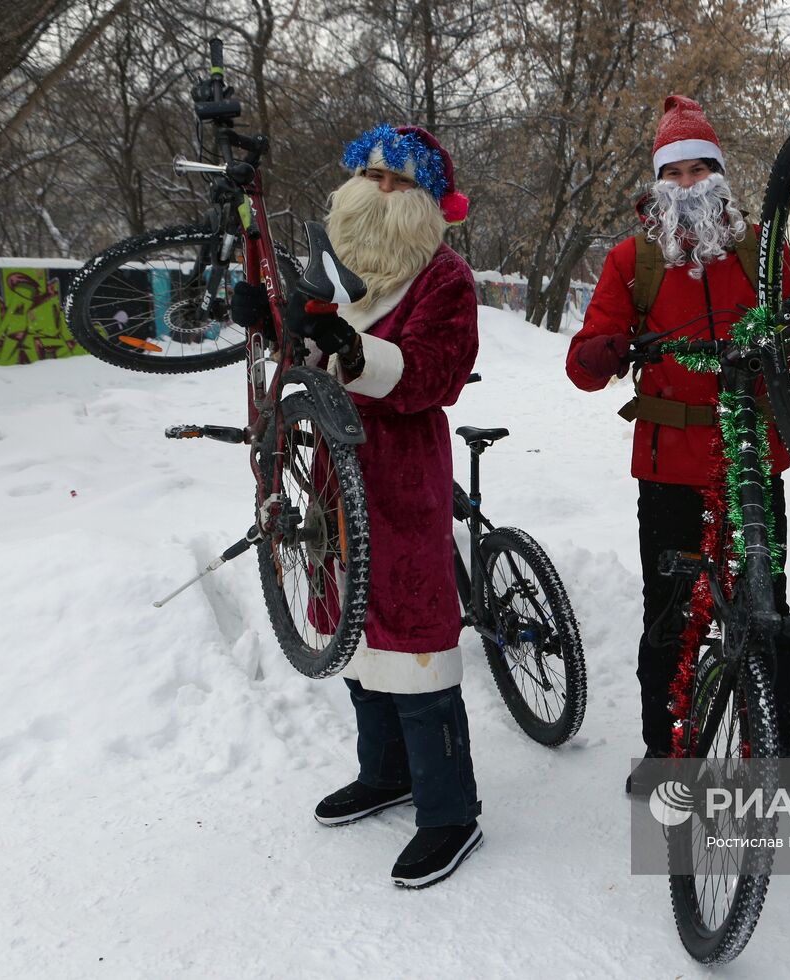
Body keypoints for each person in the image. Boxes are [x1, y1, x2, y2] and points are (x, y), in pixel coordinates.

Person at [233, 124, 482, 886]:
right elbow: (306, 348)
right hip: (332, 478)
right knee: (354, 629)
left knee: (414, 636)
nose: (378, 190)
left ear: (427, 201)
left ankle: (449, 810)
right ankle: (386, 773)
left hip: (401, 469)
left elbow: (437, 374)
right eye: (370, 175)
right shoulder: (333, 268)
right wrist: (271, 323)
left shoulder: (445, 281)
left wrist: (357, 352)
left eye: (397, 181)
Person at [565, 95, 790, 796]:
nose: (692, 183)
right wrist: (604, 351)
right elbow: (583, 362)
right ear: (659, 184)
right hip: (669, 468)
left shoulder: (762, 251)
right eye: (678, 171)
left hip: (753, 463)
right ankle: (667, 753)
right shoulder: (632, 259)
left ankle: (779, 746)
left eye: (704, 169)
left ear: (722, 176)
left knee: (769, 602)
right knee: (670, 614)